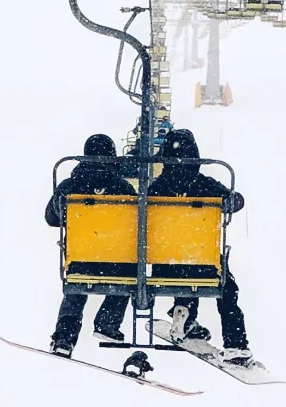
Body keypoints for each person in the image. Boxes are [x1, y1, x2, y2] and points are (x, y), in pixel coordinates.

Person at [147, 128, 251, 361]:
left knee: (182, 265)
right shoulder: (206, 185)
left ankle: (184, 312)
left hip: (166, 266)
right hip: (202, 264)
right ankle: (235, 344)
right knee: (227, 288)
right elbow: (236, 201)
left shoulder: (156, 188)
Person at [46, 134, 133, 356]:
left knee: (76, 288)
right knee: (130, 273)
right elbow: (137, 224)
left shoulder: (70, 186)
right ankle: (108, 323)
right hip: (116, 262)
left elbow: (51, 218)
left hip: (81, 259)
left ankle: (64, 338)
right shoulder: (123, 188)